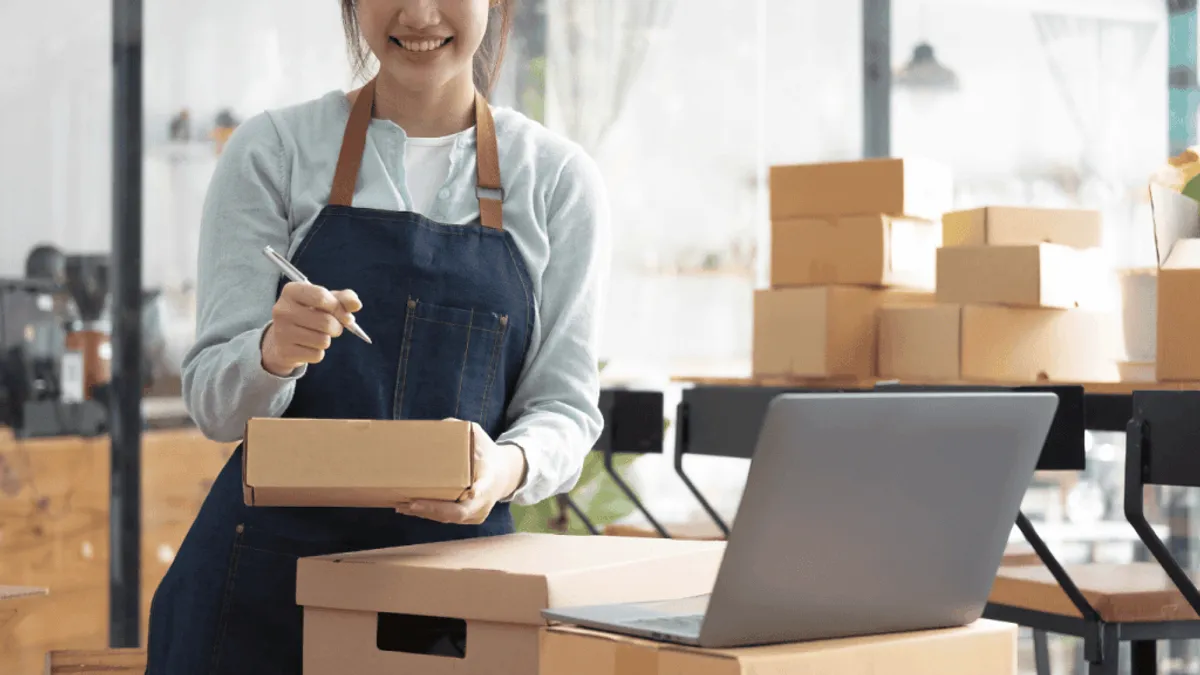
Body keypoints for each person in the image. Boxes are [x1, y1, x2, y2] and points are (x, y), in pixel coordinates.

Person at [144, 0, 610, 671]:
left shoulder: (558, 182)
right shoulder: (273, 151)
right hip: (260, 595)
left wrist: (501, 468)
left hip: (453, 599)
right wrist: (272, 355)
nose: (419, 13)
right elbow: (216, 408)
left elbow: (564, 407)